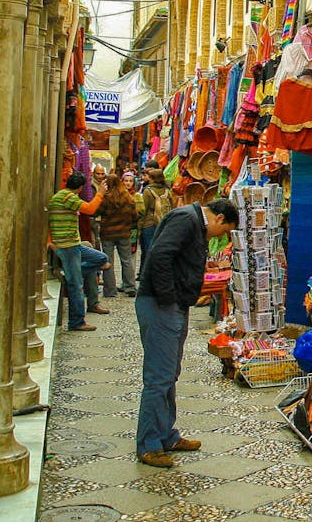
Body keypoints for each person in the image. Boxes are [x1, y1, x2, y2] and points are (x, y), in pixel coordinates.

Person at [135, 197, 238, 468]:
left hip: (172, 305)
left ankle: (166, 435)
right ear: (218, 219)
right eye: (225, 230)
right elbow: (160, 256)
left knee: (169, 372)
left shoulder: (191, 220)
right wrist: (169, 297)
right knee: (159, 376)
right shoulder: (186, 220)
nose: (222, 235)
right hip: (161, 305)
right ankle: (149, 445)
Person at [47, 172, 112, 331]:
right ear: (81, 187)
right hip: (68, 246)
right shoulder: (67, 197)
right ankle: (76, 322)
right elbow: (90, 209)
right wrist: (100, 194)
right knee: (76, 285)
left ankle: (68, 274)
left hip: (72, 244)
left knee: (101, 259)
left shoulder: (63, 196)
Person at [97, 170, 138, 299]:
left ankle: (110, 290)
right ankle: (130, 286)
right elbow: (135, 215)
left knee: (108, 261)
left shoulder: (106, 198)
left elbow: (97, 211)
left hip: (108, 233)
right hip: (124, 233)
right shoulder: (127, 197)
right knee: (126, 260)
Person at [139, 167, 173, 264]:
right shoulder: (167, 191)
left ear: (153, 179)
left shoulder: (148, 191)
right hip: (164, 223)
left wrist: (140, 226)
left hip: (149, 224)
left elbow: (143, 210)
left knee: (148, 250)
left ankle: (148, 273)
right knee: (161, 249)